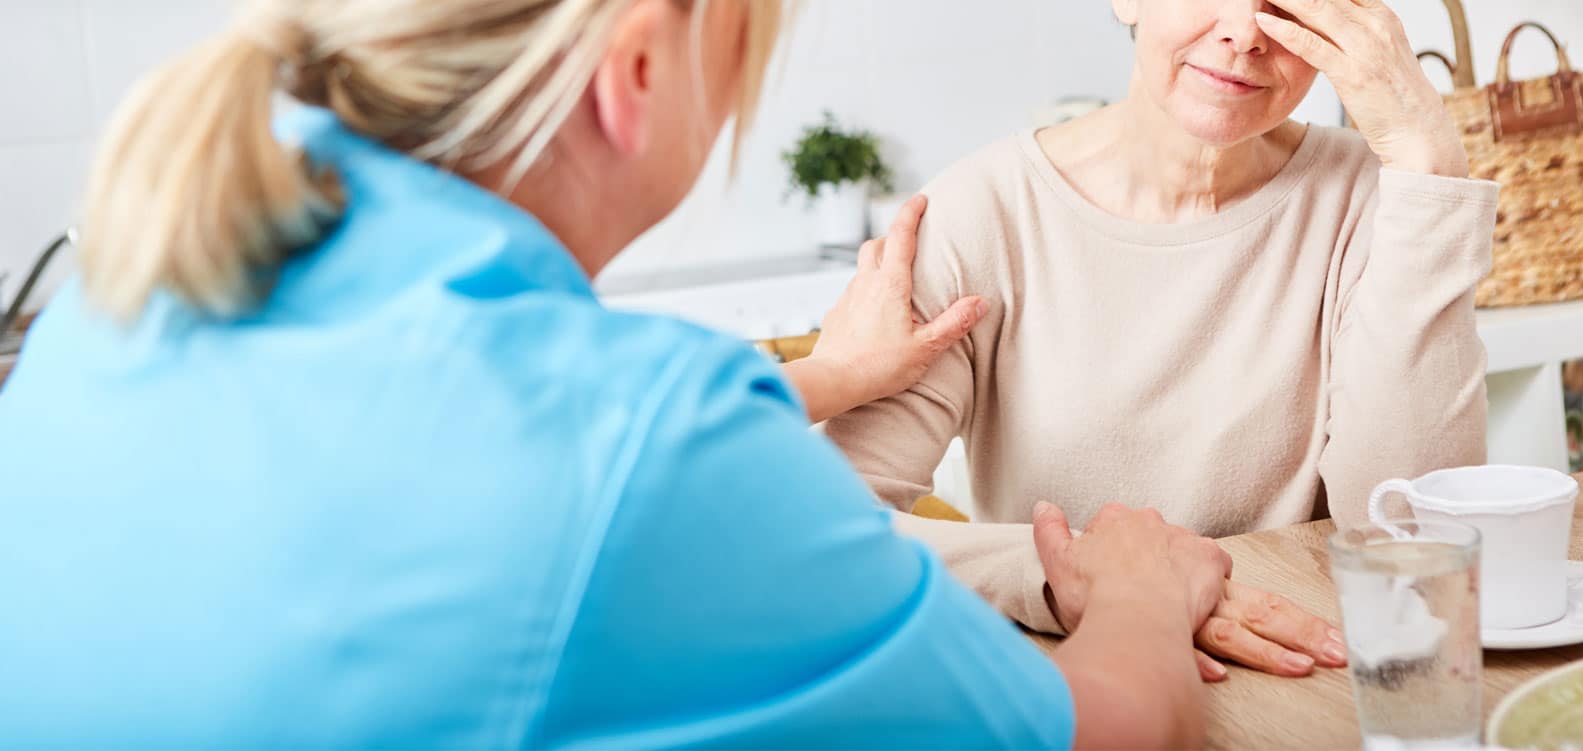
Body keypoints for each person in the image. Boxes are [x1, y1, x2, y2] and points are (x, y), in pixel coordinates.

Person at [0, 0, 1232, 747]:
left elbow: (453, 450)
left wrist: (828, 381)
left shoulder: (146, 277)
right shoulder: (640, 438)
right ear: (638, 71)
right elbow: (1101, 731)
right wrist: (1134, 587)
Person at [826, 0, 1499, 679]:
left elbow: (1413, 542)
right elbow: (829, 538)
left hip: (1318, 681)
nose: (1244, 30)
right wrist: (1074, 579)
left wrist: (1429, 164)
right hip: (1084, 687)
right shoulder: (981, 214)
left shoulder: (1381, 198)